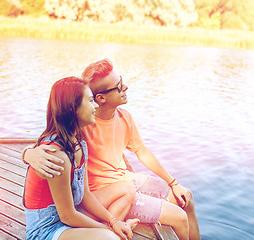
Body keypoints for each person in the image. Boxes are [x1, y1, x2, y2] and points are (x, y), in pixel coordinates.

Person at [23, 60, 201, 240]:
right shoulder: (82, 128)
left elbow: (142, 151)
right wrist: (29, 154)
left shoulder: (118, 120)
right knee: (179, 217)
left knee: (186, 197)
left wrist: (173, 183)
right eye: (119, 86)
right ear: (100, 98)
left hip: (124, 183)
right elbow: (52, 138)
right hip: (100, 195)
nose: (126, 88)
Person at [23, 76, 138, 240]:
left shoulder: (79, 143)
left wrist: (113, 222)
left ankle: (115, 229)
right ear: (73, 108)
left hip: (71, 214)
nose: (96, 106)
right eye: (91, 101)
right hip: (47, 230)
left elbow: (85, 195)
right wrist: (107, 230)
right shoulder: (57, 155)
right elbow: (67, 216)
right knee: (109, 238)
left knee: (125, 188)